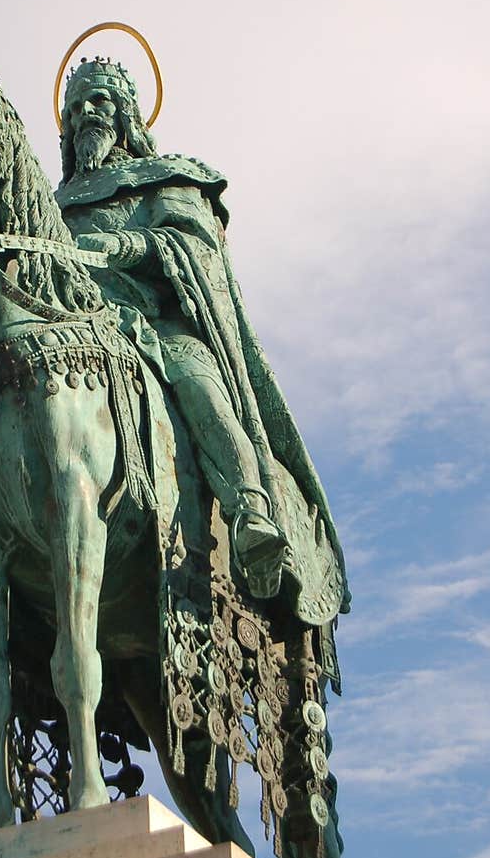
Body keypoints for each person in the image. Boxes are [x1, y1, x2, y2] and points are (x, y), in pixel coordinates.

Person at [55, 56, 349, 657]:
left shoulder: (167, 178)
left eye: (100, 102)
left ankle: (251, 510)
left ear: (128, 114)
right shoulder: (48, 202)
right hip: (72, 336)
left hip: (156, 328)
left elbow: (195, 248)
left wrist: (129, 243)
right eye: (76, 106)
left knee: (198, 384)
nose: (86, 115)